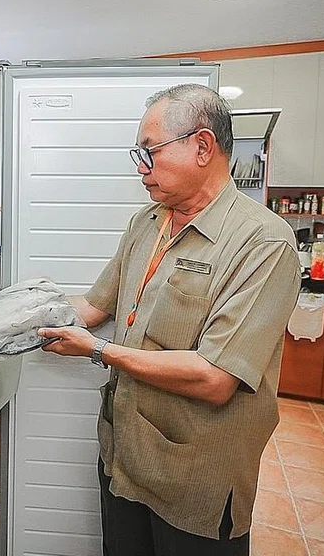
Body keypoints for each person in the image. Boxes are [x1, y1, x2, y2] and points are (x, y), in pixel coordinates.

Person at [38, 84, 300, 556]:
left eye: (150, 152)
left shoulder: (263, 242)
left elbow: (216, 379)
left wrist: (97, 350)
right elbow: (94, 307)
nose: (141, 168)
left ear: (202, 146)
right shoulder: (147, 222)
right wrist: (6, 317)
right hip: (124, 456)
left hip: (194, 474)